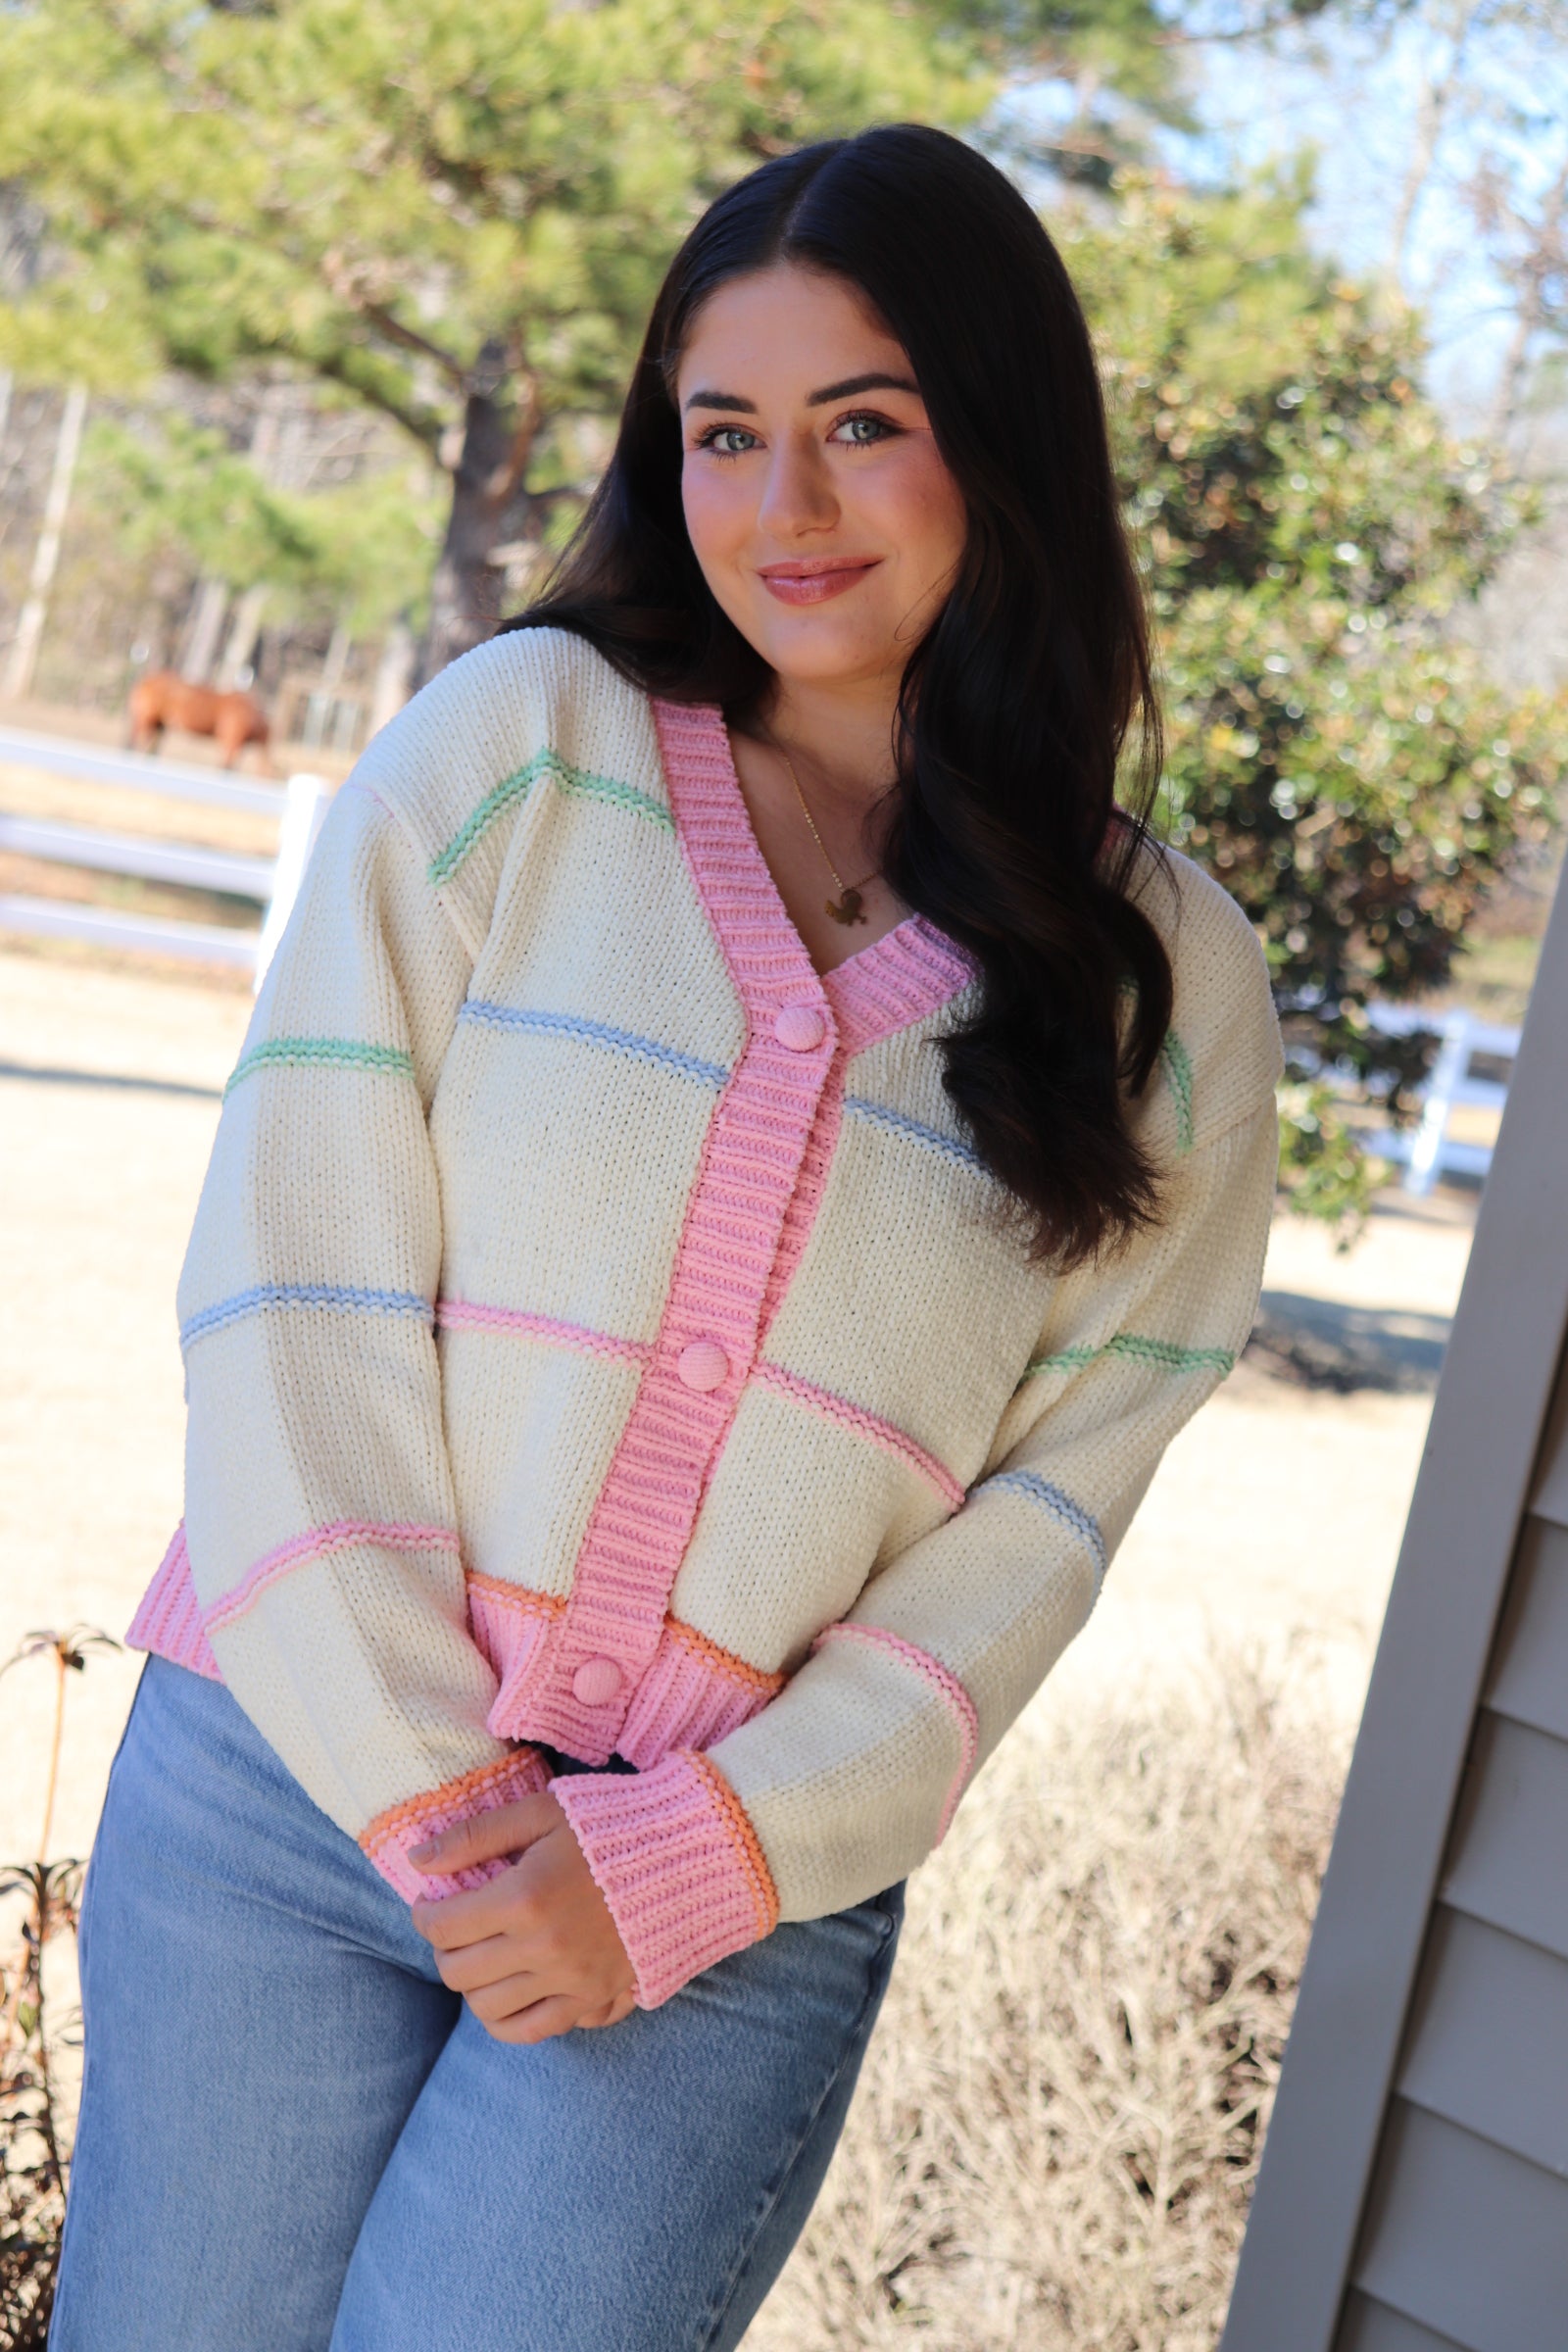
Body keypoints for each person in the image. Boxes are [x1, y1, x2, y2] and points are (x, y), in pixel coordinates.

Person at [53, 122, 1281, 2352]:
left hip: (723, 1906)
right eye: (725, 433)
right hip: (283, 1783)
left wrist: (687, 1860)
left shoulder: (1163, 987)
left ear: (1000, 440)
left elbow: (1050, 1518)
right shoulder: (517, 753)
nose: (781, 505)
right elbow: (293, 1281)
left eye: (861, 426)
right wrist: (438, 1797)